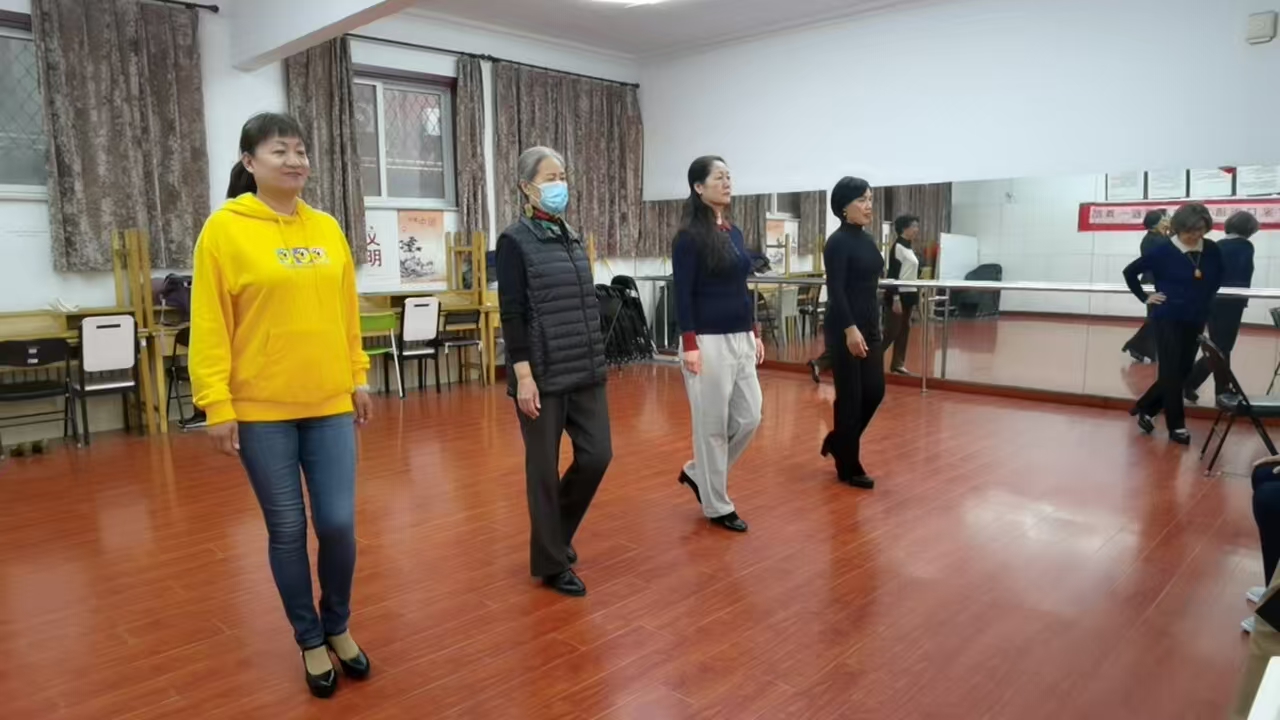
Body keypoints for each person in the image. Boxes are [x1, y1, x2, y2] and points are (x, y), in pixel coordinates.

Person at [189, 112, 373, 698]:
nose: (294, 161)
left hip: (329, 402)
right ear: (250, 162)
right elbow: (210, 322)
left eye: (300, 150)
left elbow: (347, 309)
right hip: (261, 410)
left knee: (338, 524)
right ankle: (310, 638)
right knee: (288, 528)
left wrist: (358, 375)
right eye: (279, 151)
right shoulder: (224, 230)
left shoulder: (327, 228)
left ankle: (338, 623)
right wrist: (215, 403)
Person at [496, 146, 611, 598]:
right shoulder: (514, 241)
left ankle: (554, 536)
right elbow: (512, 312)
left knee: (598, 455)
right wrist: (523, 375)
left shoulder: (570, 235)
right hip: (541, 373)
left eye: (562, 175)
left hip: (584, 366)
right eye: (549, 177)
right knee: (543, 469)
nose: (559, 184)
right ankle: (550, 561)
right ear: (526, 187)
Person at [672, 156, 764, 533]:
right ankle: (717, 504)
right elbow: (682, 293)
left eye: (729, 176)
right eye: (718, 177)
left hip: (740, 335)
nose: (727, 183)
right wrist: (689, 343)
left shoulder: (734, 233)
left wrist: (754, 330)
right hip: (706, 340)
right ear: (698, 187)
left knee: (750, 417)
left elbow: (741, 286)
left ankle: (699, 472)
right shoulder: (689, 237)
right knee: (711, 426)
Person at [1123, 202, 1223, 445]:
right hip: (1168, 317)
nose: (1196, 235)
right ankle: (1176, 426)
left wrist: (1203, 296)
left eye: (1201, 230)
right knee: (1170, 370)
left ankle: (1146, 406)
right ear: (1179, 228)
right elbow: (1130, 272)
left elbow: (1218, 275)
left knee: (1184, 370)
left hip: (1196, 316)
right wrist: (1145, 297)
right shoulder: (1163, 250)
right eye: (1191, 231)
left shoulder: (1211, 249)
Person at [820, 177, 885, 489]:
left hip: (870, 326)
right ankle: (850, 464)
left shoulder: (868, 239)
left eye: (870, 198)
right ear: (843, 207)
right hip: (845, 327)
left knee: (874, 391)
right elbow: (836, 290)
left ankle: (838, 441)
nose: (868, 205)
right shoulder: (837, 242)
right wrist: (849, 329)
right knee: (851, 397)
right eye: (861, 200)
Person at [1184, 211, 1258, 403]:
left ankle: (1218, 388)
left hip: (1212, 301)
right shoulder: (1245, 246)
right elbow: (1241, 276)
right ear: (1249, 229)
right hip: (1231, 303)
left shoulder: (1217, 245)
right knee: (1221, 348)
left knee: (1219, 347)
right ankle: (1192, 383)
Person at [1121, 209, 1172, 363]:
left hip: (1158, 283)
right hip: (1153, 284)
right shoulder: (1154, 240)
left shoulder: (1158, 237)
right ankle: (1137, 346)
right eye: (1165, 218)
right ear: (1157, 224)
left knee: (1158, 318)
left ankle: (1146, 349)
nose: (1168, 220)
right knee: (1156, 318)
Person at [882, 214, 921, 375]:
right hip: (899, 295)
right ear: (904, 228)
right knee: (891, 331)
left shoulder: (909, 247)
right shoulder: (898, 247)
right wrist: (895, 297)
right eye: (914, 226)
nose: (916, 230)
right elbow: (893, 274)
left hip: (910, 294)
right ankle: (869, 360)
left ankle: (898, 364)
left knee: (904, 331)